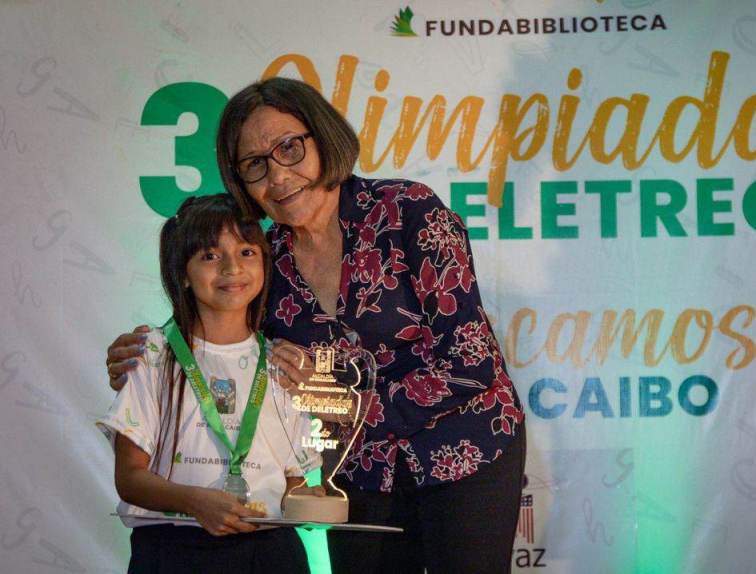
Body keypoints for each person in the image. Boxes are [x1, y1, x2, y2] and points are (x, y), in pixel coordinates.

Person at [106, 77, 526, 573]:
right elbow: (214, 339)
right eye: (255, 164)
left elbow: (471, 361)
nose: (278, 176)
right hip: (359, 470)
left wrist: (350, 407)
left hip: (467, 449)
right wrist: (151, 354)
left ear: (323, 138)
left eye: (289, 148)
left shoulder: (408, 211)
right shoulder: (265, 259)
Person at [98, 194, 322, 574]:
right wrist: (194, 501)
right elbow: (130, 478)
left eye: (247, 252)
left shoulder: (282, 363)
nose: (232, 268)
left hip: (271, 553)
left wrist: (310, 501)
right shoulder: (151, 354)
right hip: (174, 550)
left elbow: (291, 481)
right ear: (183, 273)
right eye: (210, 256)